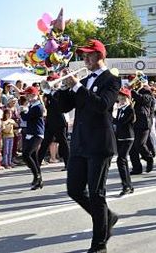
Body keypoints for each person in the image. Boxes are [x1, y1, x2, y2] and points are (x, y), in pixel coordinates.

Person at [58, 39, 120, 253]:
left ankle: (99, 244)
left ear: (100, 56)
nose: (85, 59)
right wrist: (60, 88)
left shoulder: (111, 80)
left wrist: (76, 85)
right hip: (80, 142)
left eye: (89, 55)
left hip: (100, 144)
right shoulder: (83, 81)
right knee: (74, 189)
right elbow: (65, 106)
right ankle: (107, 217)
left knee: (96, 193)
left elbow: (102, 105)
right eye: (83, 55)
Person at [37, 73, 70, 171]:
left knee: (63, 143)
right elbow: (47, 107)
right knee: (45, 143)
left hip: (59, 122)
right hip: (50, 122)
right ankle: (37, 163)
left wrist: (52, 94)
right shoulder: (47, 94)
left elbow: (59, 105)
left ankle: (68, 164)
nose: (50, 84)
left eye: (52, 81)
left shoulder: (60, 92)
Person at [20, 86, 45, 190]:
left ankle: (37, 176)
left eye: (28, 94)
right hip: (31, 133)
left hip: (37, 134)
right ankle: (39, 180)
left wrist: (22, 111)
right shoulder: (32, 105)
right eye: (26, 94)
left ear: (34, 95)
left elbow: (26, 117)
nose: (27, 96)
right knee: (33, 156)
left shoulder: (38, 106)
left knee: (26, 154)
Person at [113, 87, 135, 196]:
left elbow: (122, 122)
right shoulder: (120, 109)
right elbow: (116, 121)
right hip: (120, 137)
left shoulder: (130, 109)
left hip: (128, 137)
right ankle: (128, 185)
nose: (120, 99)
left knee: (121, 160)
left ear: (127, 98)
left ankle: (126, 185)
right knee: (122, 160)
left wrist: (113, 116)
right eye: (119, 97)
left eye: (123, 97)